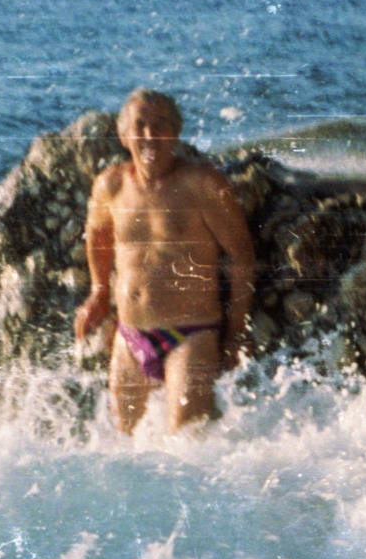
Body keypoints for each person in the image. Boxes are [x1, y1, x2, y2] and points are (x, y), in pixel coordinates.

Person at [73, 89, 256, 433]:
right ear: (124, 135)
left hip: (192, 334)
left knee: (189, 441)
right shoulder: (110, 185)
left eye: (161, 125)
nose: (149, 135)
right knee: (124, 443)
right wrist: (98, 291)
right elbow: (97, 236)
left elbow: (241, 255)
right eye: (139, 126)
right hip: (129, 336)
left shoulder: (202, 184)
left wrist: (234, 332)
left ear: (175, 132)